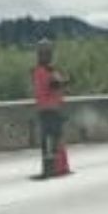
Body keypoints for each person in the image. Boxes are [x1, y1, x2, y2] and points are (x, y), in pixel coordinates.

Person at [31, 39, 68, 177]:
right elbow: (54, 85)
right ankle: (56, 167)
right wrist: (63, 82)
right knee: (55, 138)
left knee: (46, 138)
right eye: (46, 52)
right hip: (52, 109)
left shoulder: (36, 71)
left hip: (42, 109)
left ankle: (48, 167)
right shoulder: (48, 70)